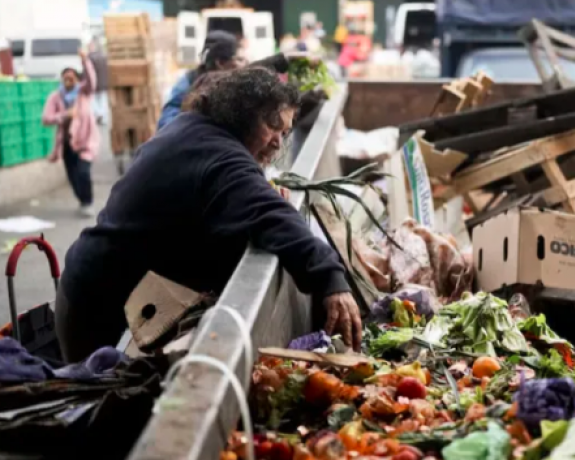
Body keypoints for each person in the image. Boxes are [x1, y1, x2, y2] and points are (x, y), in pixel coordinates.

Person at [55, 67, 362, 362]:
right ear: (242, 113)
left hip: (104, 286)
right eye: (272, 126)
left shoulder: (196, 129)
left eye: (284, 132)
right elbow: (271, 216)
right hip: (95, 303)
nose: (277, 142)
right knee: (95, 387)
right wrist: (330, 278)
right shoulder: (218, 155)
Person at [158, 31, 302, 131]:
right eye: (240, 59)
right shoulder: (188, 85)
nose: (245, 65)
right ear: (220, 63)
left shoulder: (227, 88)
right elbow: (167, 125)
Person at [42, 49, 99, 217]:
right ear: (62, 79)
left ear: (77, 79)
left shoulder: (84, 92)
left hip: (86, 141)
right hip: (67, 144)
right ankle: (82, 199)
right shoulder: (55, 97)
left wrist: (85, 60)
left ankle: (88, 202)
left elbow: (92, 80)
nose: (68, 80)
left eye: (72, 76)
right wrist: (64, 115)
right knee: (73, 176)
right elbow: (46, 118)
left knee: (83, 172)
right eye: (65, 77)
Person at [87, 40, 109, 125]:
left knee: (93, 100)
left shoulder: (89, 58)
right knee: (103, 100)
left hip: (94, 82)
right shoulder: (104, 56)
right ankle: (103, 117)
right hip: (104, 82)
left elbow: (88, 72)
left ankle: (99, 114)